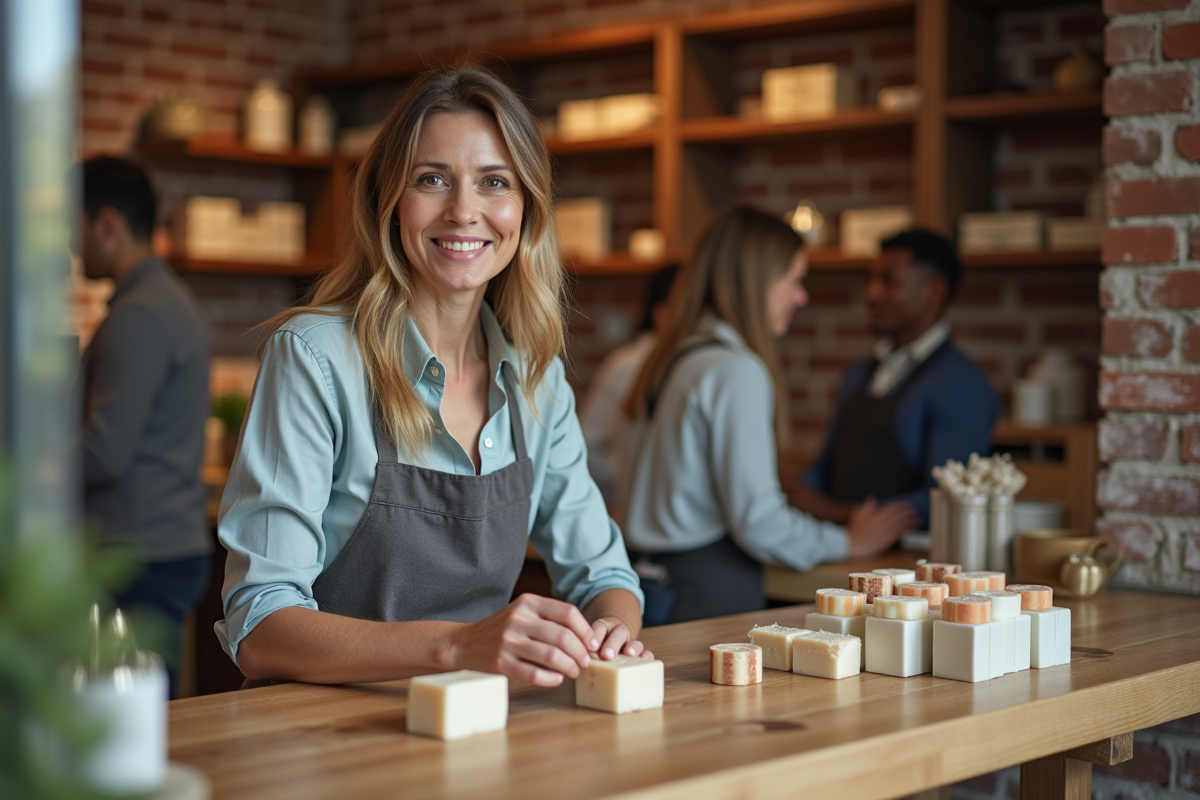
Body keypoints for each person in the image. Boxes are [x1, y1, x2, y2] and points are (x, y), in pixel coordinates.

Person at [216, 66, 650, 689]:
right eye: (432, 180)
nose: (464, 210)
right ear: (390, 203)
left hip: (475, 735)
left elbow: (604, 576)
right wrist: (458, 647)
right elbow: (260, 624)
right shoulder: (315, 358)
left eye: (494, 182)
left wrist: (611, 629)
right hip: (322, 743)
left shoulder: (536, 378)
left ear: (525, 211)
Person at [616, 205, 917, 625]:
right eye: (794, 281)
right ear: (756, 282)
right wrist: (847, 540)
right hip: (707, 591)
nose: (801, 297)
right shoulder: (734, 369)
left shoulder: (671, 358)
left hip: (648, 582)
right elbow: (758, 522)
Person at [76, 155, 211, 695]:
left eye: (72, 226)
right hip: (159, 548)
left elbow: (104, 452)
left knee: (128, 718)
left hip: (140, 556)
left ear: (106, 224)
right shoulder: (163, 301)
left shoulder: (139, 315)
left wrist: (30, 471)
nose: (69, 246)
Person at [795, 228, 1000, 528]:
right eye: (871, 280)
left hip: (906, 564)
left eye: (888, 282)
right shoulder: (858, 373)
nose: (871, 293)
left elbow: (945, 497)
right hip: (841, 546)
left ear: (934, 291)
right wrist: (791, 491)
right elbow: (825, 468)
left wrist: (839, 514)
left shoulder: (962, 386)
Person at [578, 264, 677, 506]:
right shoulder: (630, 365)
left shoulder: (693, 364)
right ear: (661, 313)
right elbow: (587, 444)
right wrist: (635, 483)